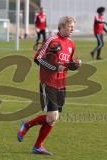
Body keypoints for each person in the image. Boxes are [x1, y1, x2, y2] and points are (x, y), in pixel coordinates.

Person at [17, 16, 81, 155]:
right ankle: (27, 126)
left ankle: (37, 146)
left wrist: (75, 65)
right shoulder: (52, 40)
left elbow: (67, 64)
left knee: (53, 119)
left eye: (73, 27)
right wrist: (54, 68)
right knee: (52, 116)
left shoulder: (71, 44)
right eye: (70, 27)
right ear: (62, 26)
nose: (72, 29)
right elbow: (38, 58)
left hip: (61, 84)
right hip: (48, 82)